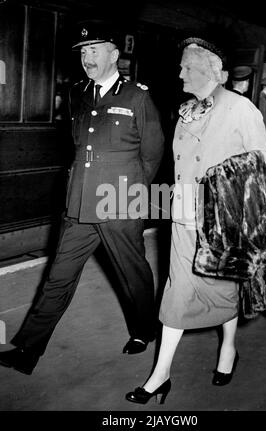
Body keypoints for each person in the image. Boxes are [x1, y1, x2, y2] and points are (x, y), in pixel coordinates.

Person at [0, 23, 164, 375]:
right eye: (83, 52)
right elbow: (79, 143)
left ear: (114, 54)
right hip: (79, 203)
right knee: (58, 276)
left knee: (132, 274)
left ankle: (144, 330)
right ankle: (28, 347)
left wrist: (129, 194)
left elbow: (152, 154)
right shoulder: (78, 93)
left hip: (118, 201)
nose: (87, 57)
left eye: (94, 50)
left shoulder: (137, 96)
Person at [126, 35, 266, 404]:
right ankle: (160, 375)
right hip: (183, 218)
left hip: (221, 220)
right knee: (177, 292)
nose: (179, 73)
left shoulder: (241, 109)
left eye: (186, 67)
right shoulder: (186, 111)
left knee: (223, 290)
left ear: (211, 71)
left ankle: (227, 350)